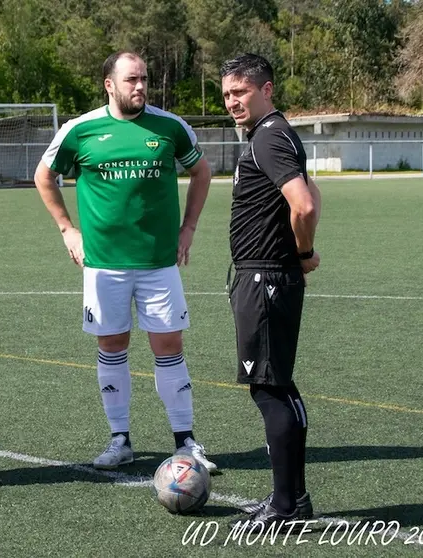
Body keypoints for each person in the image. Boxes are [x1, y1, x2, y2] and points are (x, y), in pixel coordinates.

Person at [34, 51, 218, 474]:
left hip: (158, 262)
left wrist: (188, 227)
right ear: (109, 84)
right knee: (112, 346)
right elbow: (44, 175)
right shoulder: (80, 130)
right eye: (131, 79)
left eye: (144, 79)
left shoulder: (170, 127)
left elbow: (202, 172)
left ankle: (186, 441)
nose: (140, 87)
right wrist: (67, 228)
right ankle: (120, 440)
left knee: (169, 345)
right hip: (103, 264)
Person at [220, 53, 322, 528]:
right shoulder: (276, 134)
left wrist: (302, 255)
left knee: (269, 388)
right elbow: (312, 192)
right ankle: (290, 500)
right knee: (275, 385)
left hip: (266, 278)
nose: (232, 102)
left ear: (267, 89)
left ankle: (288, 506)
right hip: (263, 277)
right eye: (227, 94)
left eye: (241, 92)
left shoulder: (269, 136)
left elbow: (302, 204)